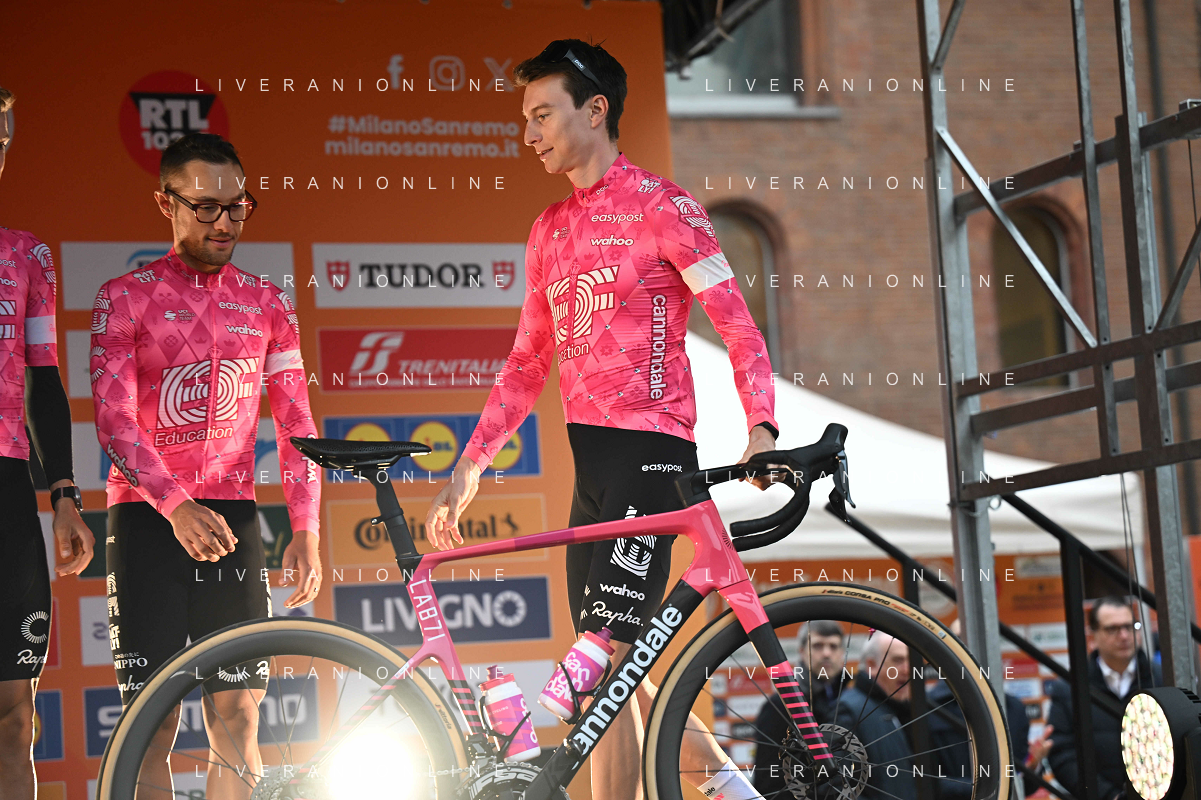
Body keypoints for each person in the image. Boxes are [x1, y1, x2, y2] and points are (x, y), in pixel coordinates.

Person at [423, 39, 780, 800]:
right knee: (612, 685)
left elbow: (738, 325)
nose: (528, 133)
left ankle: (721, 788)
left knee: (601, 661)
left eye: (542, 113)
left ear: (595, 110)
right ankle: (732, 791)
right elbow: (526, 363)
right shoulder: (547, 228)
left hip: (652, 455)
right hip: (592, 468)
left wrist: (761, 428)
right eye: (525, 117)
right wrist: (471, 464)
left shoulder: (665, 206)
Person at [89, 132, 321, 800]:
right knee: (152, 725)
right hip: (146, 519)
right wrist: (175, 505)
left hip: (233, 518)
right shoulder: (123, 297)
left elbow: (296, 423)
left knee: (239, 714)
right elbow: (114, 420)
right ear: (165, 202)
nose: (225, 223)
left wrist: (305, 529)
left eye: (238, 206)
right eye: (206, 207)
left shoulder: (269, 302)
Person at [0, 84, 95, 800]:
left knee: (12, 717)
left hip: (7, 490)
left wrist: (63, 493)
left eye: (2, 140)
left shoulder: (26, 254)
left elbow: (43, 378)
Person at [1045, 596, 1160, 800]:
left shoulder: (1162, 678)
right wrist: (1108, 796)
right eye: (1112, 629)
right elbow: (1063, 755)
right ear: (1093, 636)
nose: (1124, 636)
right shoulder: (1069, 688)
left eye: (1130, 626)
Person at [752, 621, 847, 797]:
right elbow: (769, 780)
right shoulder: (779, 706)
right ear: (802, 651)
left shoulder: (851, 699)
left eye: (833, 646)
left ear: (842, 653)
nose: (826, 653)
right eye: (817, 646)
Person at [834, 632, 917, 800]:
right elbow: (839, 787)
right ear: (871, 665)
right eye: (898, 661)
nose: (907, 669)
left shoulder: (898, 709)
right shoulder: (849, 711)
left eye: (911, 661)